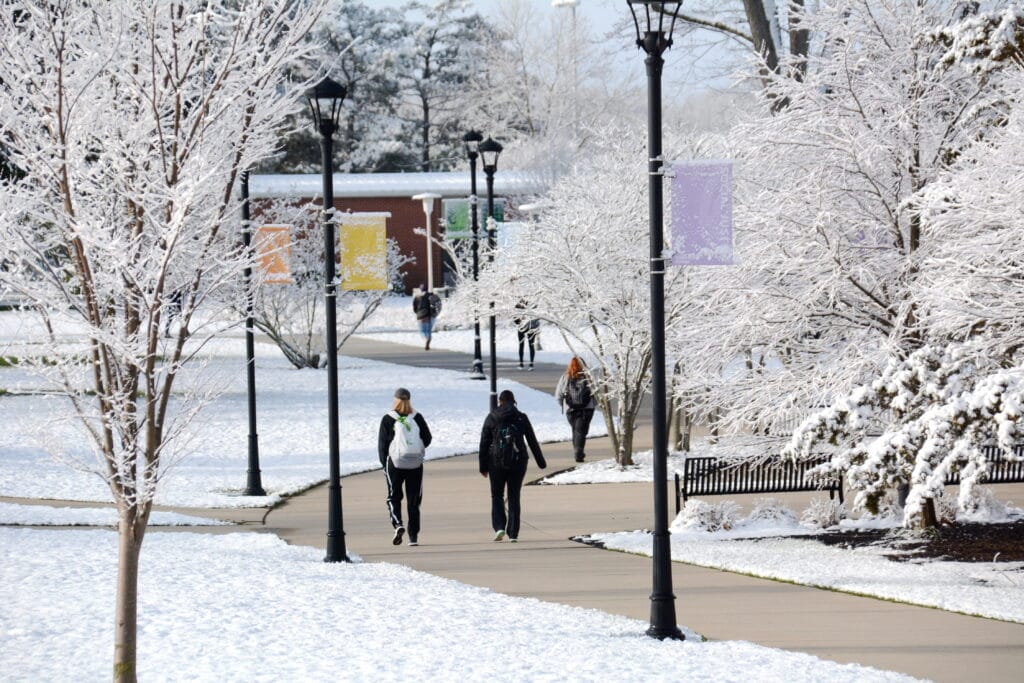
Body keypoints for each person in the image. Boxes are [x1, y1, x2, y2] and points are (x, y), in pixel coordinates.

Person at [478, 389, 546, 542]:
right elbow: (532, 440)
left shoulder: (492, 417)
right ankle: (513, 533)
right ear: (514, 401)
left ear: (500, 402)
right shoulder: (521, 417)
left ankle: (499, 527)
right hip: (518, 460)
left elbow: (484, 442)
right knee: (514, 495)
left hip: (496, 461)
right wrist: (541, 462)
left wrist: (483, 466)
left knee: (497, 495)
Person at [378, 387, 432, 546]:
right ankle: (413, 536)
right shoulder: (417, 417)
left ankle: (398, 524)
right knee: (414, 500)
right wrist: (415, 447)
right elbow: (428, 438)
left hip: (394, 463)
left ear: (395, 400)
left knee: (394, 496)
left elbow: (382, 445)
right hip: (415, 463)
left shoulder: (388, 418)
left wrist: (384, 465)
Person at [555, 356, 596, 463]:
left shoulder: (565, 377)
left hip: (571, 409)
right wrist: (593, 405)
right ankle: (578, 452)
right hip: (587, 409)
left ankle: (578, 451)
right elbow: (596, 393)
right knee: (581, 431)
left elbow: (558, 395)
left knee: (576, 430)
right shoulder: (588, 377)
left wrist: (564, 405)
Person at [512, 301, 539, 370]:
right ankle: (522, 363)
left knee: (530, 345)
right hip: (522, 327)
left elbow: (537, 316)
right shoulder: (518, 305)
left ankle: (531, 364)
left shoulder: (532, 304)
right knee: (522, 344)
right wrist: (519, 322)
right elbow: (514, 317)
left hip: (531, 327)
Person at [412, 284, 439, 350]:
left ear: (420, 289)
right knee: (429, 331)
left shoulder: (417, 297)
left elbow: (415, 308)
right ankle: (428, 340)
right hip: (432, 316)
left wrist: (418, 313)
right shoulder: (433, 296)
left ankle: (426, 339)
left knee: (423, 331)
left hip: (422, 316)